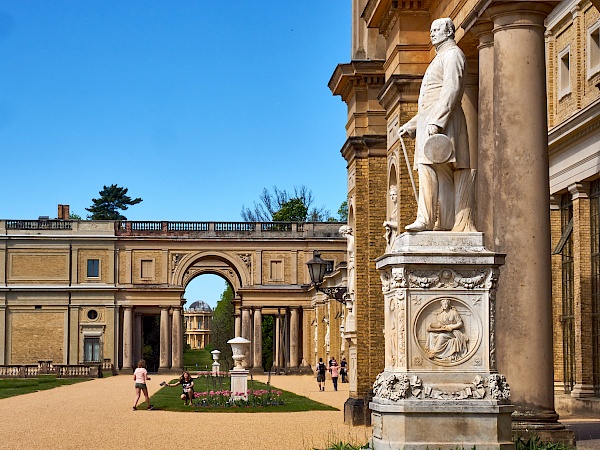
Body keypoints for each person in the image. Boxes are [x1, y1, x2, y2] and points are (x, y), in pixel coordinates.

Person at [398, 18, 472, 232]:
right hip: (431, 121)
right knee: (441, 173)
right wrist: (413, 125)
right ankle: (446, 221)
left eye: (437, 30)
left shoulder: (452, 55)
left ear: (449, 31)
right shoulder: (441, 57)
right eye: (431, 30)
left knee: (428, 168)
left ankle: (426, 219)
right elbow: (429, 102)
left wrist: (437, 122)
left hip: (442, 122)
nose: (432, 33)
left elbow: (451, 90)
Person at [383, 185, 398, 250]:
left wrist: (388, 223)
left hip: (396, 234)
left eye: (394, 195)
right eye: (390, 195)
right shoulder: (394, 210)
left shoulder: (398, 209)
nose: (392, 197)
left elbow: (399, 224)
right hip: (393, 234)